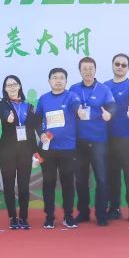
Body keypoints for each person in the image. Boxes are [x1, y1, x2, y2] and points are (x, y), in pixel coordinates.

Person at [69, 57, 116, 226]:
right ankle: (83, 213)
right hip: (79, 142)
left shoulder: (103, 89)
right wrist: (76, 109)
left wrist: (109, 114)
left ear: (95, 70)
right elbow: (70, 105)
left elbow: (112, 106)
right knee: (81, 180)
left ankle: (101, 214)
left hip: (99, 141)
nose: (88, 71)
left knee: (102, 179)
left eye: (91, 68)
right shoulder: (74, 89)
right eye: (84, 69)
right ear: (80, 71)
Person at [35, 67, 83, 229]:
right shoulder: (43, 99)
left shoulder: (71, 96)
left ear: (66, 81)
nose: (58, 80)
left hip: (68, 148)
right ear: (49, 81)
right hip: (48, 149)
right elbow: (37, 120)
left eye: (61, 77)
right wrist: (41, 133)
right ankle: (49, 217)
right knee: (48, 183)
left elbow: (76, 106)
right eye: (54, 77)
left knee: (68, 183)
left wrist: (79, 110)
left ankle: (68, 216)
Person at [0, 75, 40, 230]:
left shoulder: (29, 106)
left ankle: (23, 217)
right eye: (8, 85)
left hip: (25, 150)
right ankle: (12, 217)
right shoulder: (3, 105)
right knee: (8, 185)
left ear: (19, 86)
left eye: (14, 84)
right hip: (7, 150)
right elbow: (4, 115)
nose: (12, 87)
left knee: (23, 186)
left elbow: (33, 128)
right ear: (5, 89)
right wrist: (7, 117)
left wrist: (35, 151)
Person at [104, 54, 129, 222]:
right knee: (113, 176)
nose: (120, 67)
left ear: (128, 68)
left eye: (123, 65)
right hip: (108, 139)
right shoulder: (105, 86)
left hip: (128, 139)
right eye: (117, 64)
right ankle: (114, 208)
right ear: (112, 65)